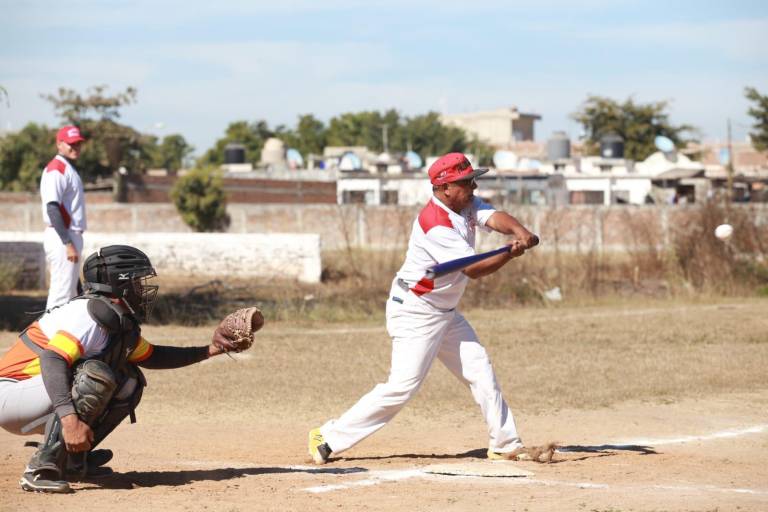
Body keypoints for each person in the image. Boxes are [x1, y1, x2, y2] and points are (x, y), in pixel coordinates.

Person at [308, 152, 539, 464]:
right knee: (402, 387)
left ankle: (506, 443)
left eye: (472, 180)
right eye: (464, 182)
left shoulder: (466, 203)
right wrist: (510, 254)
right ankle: (329, 437)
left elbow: (495, 217)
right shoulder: (435, 224)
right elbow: (473, 269)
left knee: (480, 370)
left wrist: (520, 232)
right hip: (416, 310)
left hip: (445, 311)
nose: (472, 186)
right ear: (444, 188)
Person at [0, 245, 263, 493]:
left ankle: (71, 461)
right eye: (137, 282)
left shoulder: (115, 319)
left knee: (129, 380)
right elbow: (52, 360)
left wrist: (211, 349)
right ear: (119, 284)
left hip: (35, 393)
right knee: (96, 376)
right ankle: (41, 469)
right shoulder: (89, 314)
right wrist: (70, 420)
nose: (143, 289)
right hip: (11, 394)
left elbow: (153, 356)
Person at [41, 125, 88, 310]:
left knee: (72, 296)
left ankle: (64, 338)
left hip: (69, 236)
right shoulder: (56, 169)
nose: (75, 147)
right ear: (59, 144)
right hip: (62, 236)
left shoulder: (68, 167)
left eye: (78, 143)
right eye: (70, 144)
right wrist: (68, 243)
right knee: (60, 297)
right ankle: (44, 339)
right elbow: (52, 208)